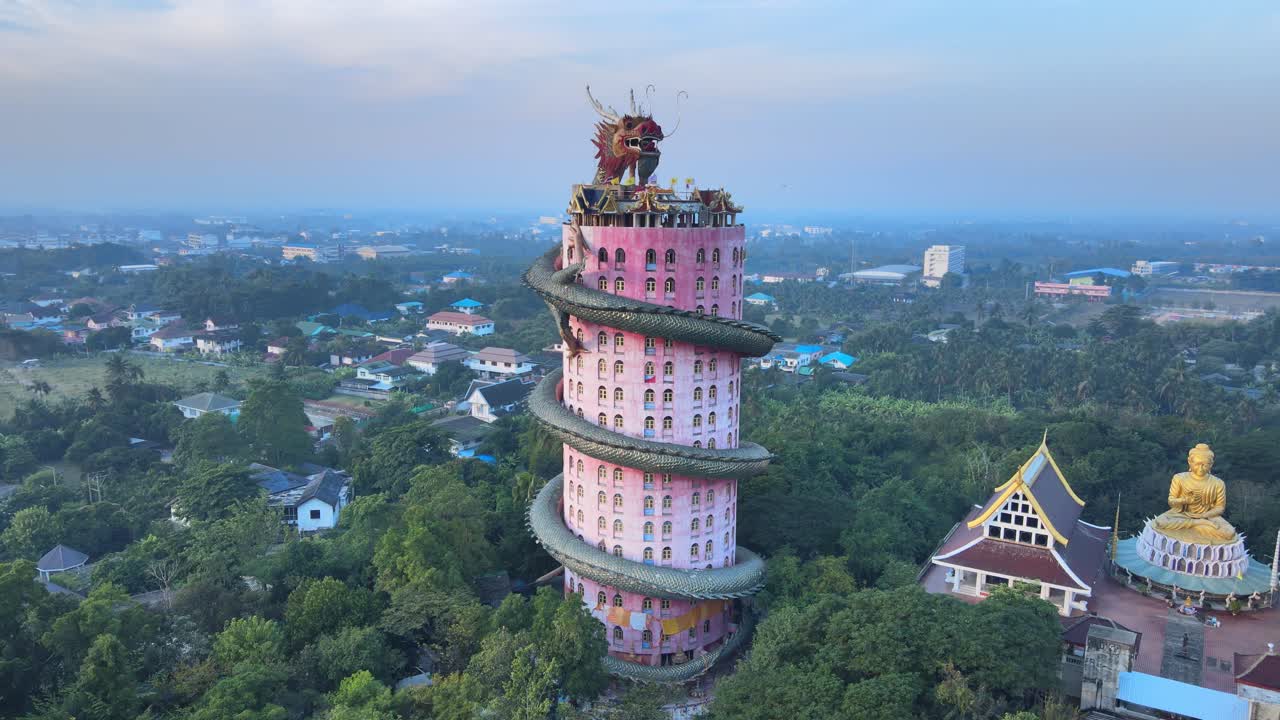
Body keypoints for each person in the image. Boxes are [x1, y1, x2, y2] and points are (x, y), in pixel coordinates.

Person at [1151, 444, 1238, 544]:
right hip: (1181, 514)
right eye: (1197, 464)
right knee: (1160, 522)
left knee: (1229, 533)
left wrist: (1204, 515)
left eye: (1205, 465)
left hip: (1208, 516)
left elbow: (1220, 508)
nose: (1201, 468)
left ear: (1211, 464)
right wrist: (1185, 500)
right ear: (1189, 461)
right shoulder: (1179, 478)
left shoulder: (1218, 483)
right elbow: (1171, 501)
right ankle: (1198, 524)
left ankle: (1198, 524)